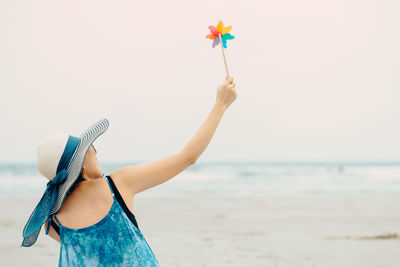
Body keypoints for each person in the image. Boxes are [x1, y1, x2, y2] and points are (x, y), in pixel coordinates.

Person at [21, 76, 237, 266]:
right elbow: (187, 157)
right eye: (91, 150)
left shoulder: (52, 222)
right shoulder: (117, 185)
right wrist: (220, 105)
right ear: (82, 165)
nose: (97, 152)